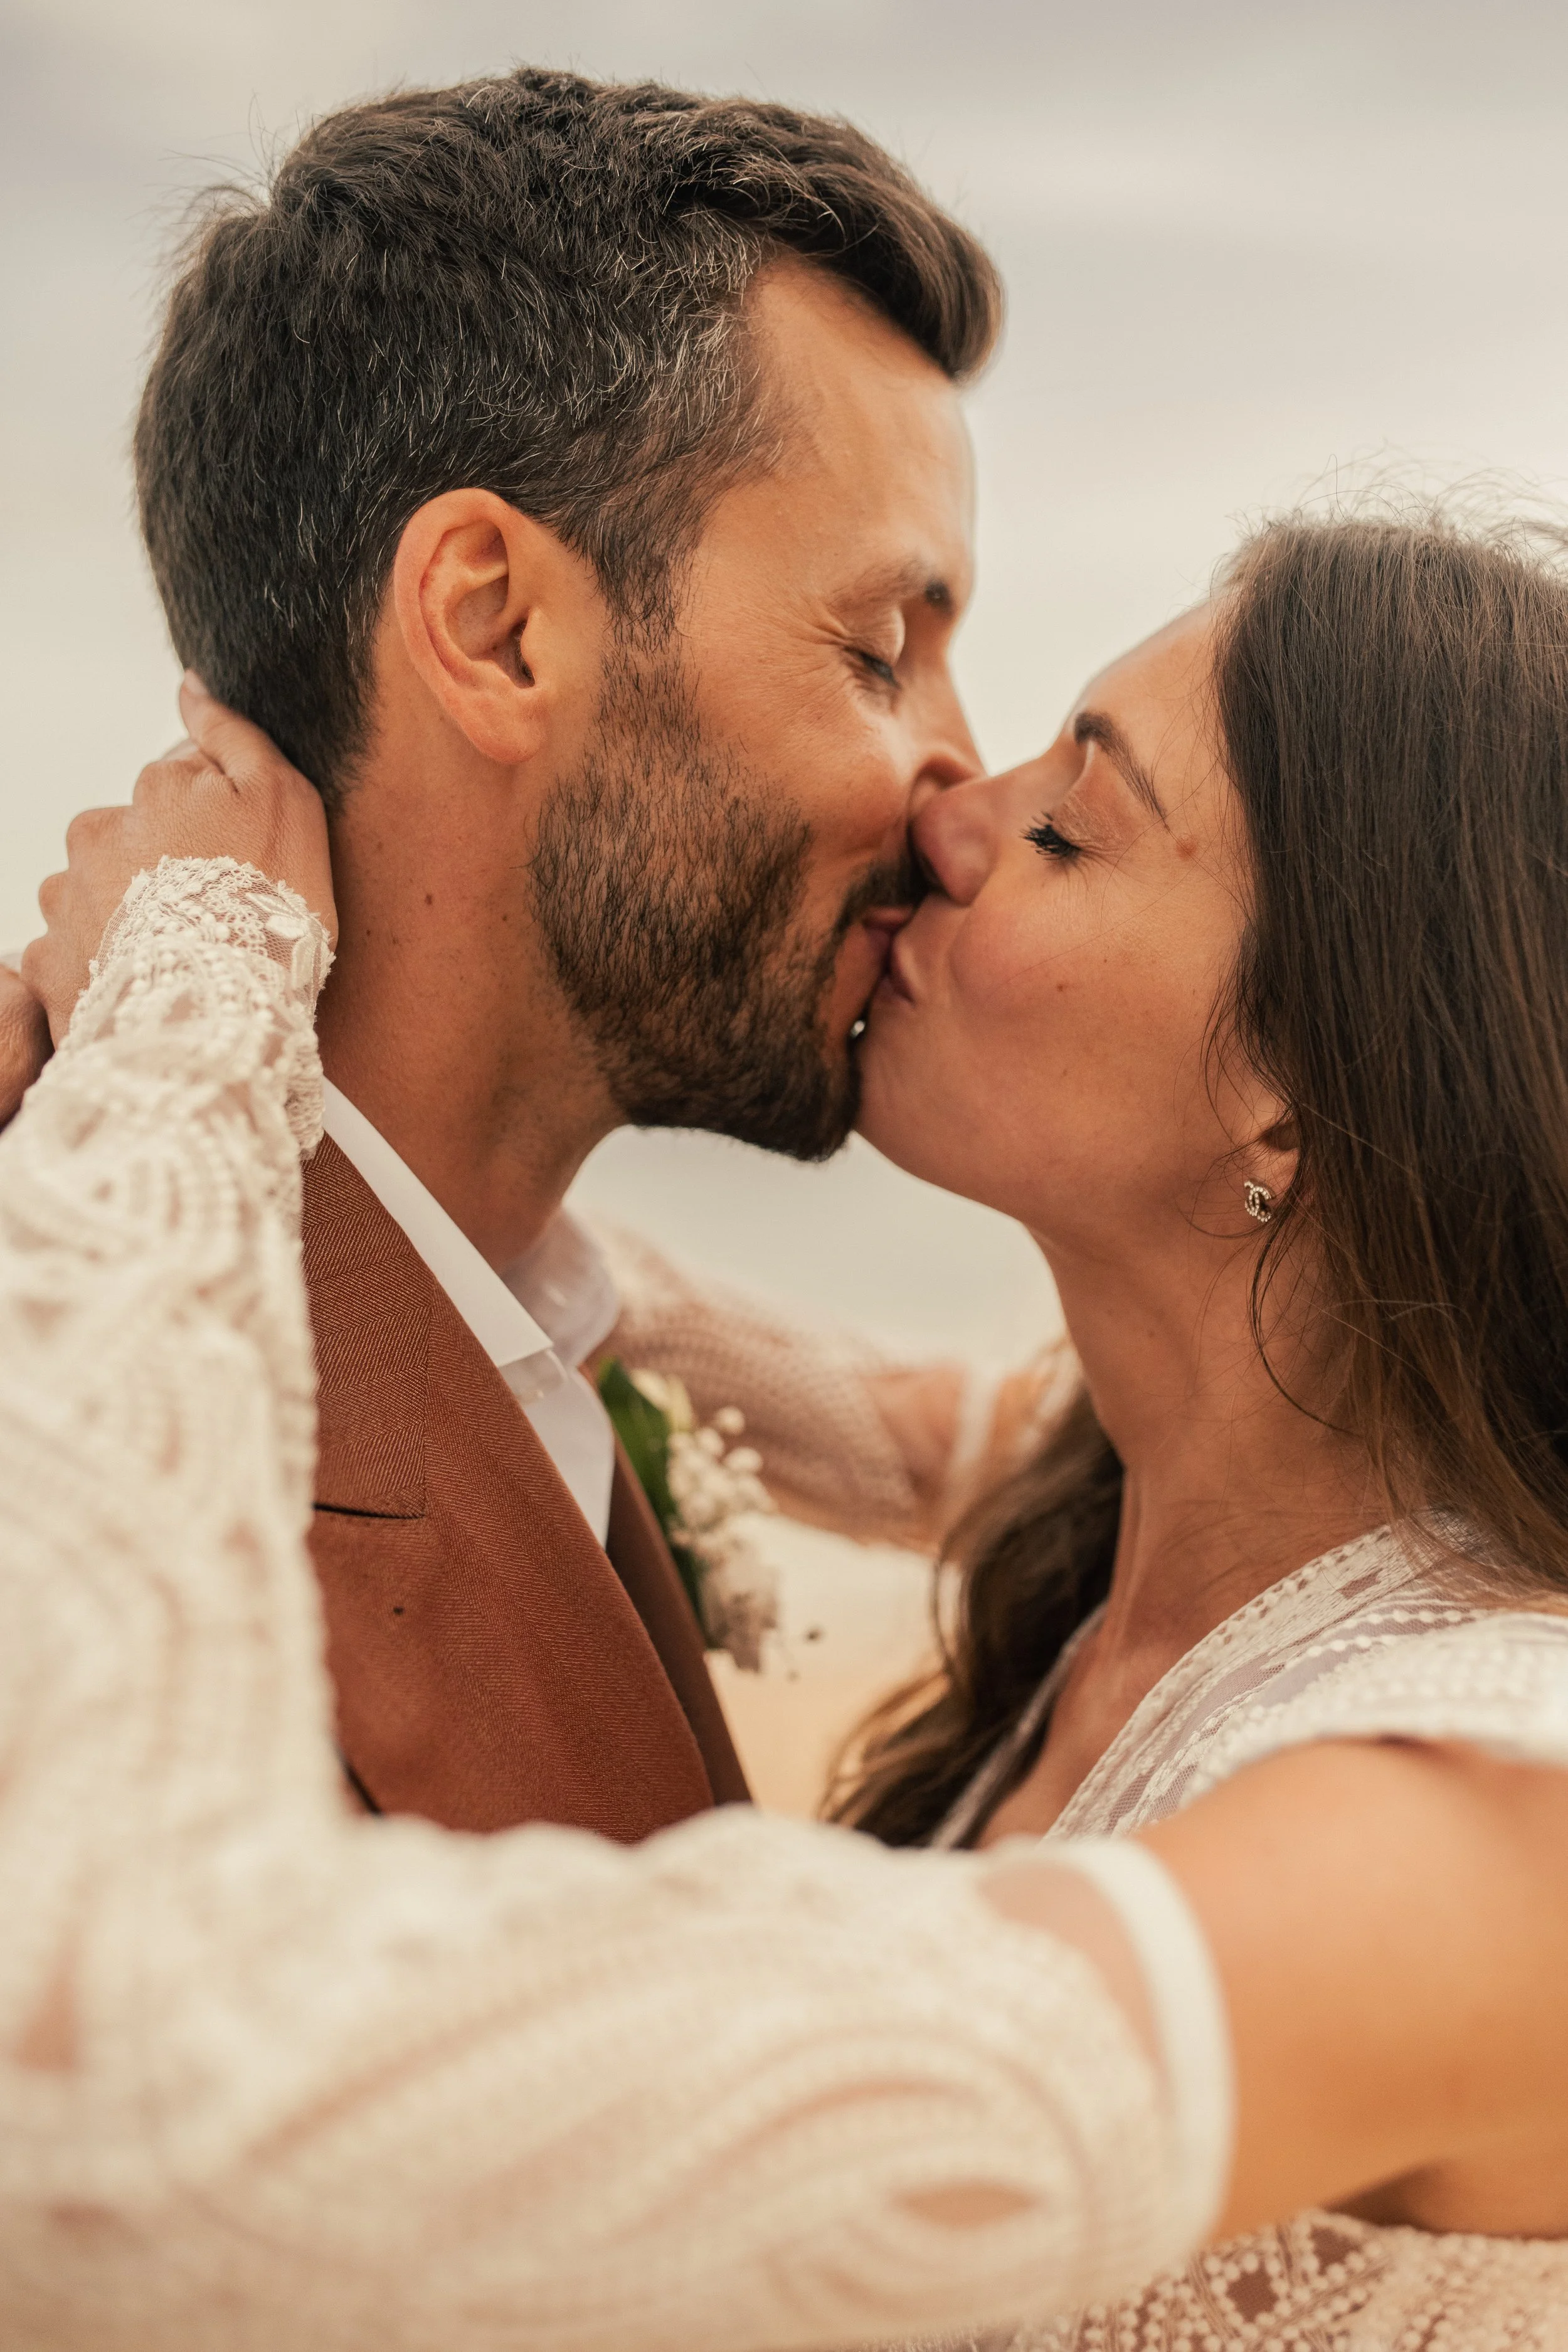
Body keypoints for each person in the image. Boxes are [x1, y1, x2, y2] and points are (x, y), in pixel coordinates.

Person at [11, 504, 1568, 2350]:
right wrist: (402, 1166)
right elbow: (859, 1414)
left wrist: (192, 999)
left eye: (1068, 827)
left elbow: (121, 2084)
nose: (949, 814)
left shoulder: (1481, 1845)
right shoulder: (1167, 1503)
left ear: (1294, 1103)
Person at [115, 65, 1005, 1838]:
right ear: (499, 627)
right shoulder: (95, 1444)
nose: (964, 782)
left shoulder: (538, 1307)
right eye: (878, 646)